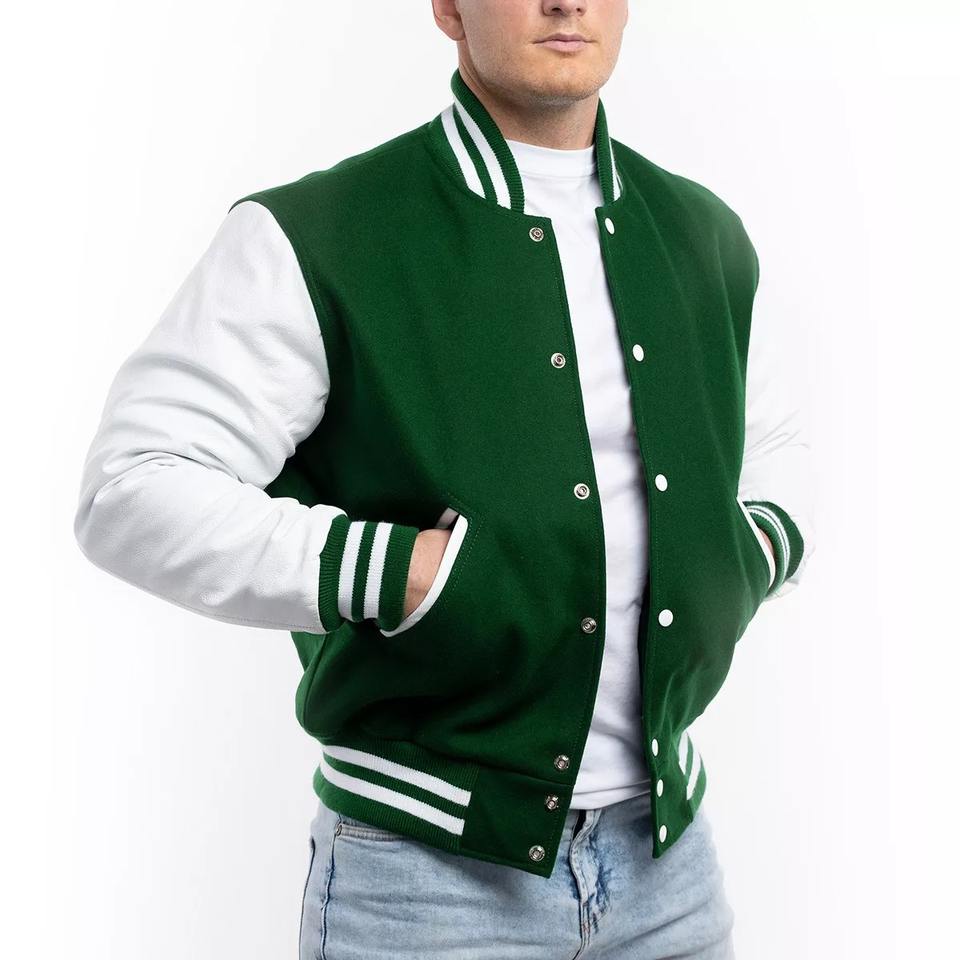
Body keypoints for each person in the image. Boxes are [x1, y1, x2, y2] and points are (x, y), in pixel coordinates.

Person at [74, 1, 815, 956]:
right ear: (448, 7)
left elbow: (775, 446)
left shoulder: (704, 233)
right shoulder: (321, 232)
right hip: (422, 886)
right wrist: (400, 573)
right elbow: (132, 485)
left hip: (670, 868)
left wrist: (744, 555)